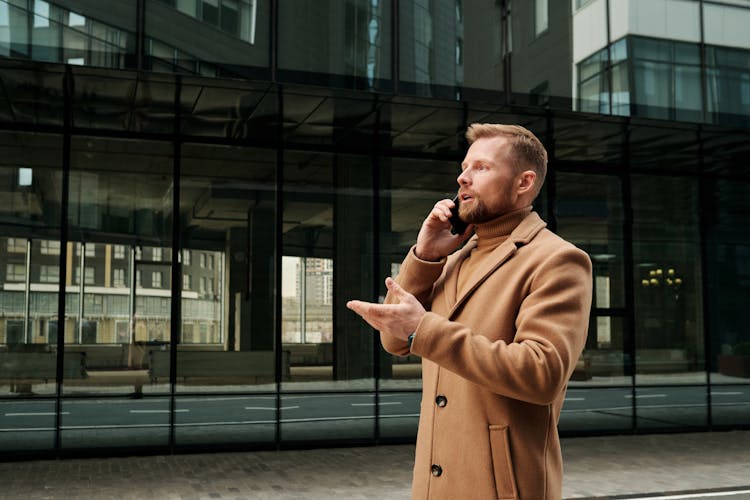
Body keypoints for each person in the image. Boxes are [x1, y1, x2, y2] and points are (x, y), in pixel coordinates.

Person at [347, 123, 592, 500]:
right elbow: (395, 341)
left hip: (501, 487)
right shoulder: (455, 257)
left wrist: (424, 328)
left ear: (523, 182)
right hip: (434, 483)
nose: (463, 178)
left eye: (481, 167)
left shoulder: (558, 259)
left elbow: (542, 373)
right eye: (464, 167)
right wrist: (425, 256)